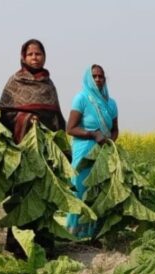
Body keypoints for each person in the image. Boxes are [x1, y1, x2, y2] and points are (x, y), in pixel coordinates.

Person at [0, 39, 65, 254]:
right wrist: (26, 119)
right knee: (22, 193)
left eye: (38, 54)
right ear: (23, 57)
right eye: (31, 54)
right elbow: (4, 114)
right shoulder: (15, 82)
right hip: (22, 149)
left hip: (44, 149)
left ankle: (43, 243)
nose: (35, 58)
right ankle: (18, 244)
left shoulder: (48, 84)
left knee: (44, 193)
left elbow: (55, 116)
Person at [66, 64, 119, 238]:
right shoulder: (81, 98)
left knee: (99, 192)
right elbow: (70, 128)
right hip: (84, 152)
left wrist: (109, 141)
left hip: (103, 152)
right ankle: (76, 231)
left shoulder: (111, 103)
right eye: (94, 76)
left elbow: (115, 129)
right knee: (81, 190)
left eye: (100, 76)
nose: (97, 80)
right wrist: (92, 134)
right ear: (88, 79)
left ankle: (95, 232)